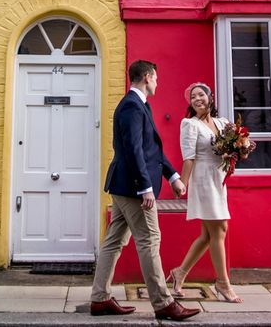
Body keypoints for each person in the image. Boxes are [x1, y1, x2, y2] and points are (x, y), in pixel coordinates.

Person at [90, 60, 201, 321]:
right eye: (156, 78)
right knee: (150, 239)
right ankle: (163, 303)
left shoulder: (139, 105)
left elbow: (152, 150)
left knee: (114, 241)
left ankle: (100, 299)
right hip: (133, 188)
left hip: (124, 186)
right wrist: (146, 188)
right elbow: (133, 150)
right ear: (148, 77)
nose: (158, 83)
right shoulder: (132, 105)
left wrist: (172, 175)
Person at [165, 82, 242, 303]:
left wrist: (239, 150)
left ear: (210, 97)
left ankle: (180, 273)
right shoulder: (189, 124)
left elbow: (233, 148)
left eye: (201, 95)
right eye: (193, 97)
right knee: (219, 229)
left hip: (219, 179)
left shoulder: (223, 123)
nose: (197, 99)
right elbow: (189, 157)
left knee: (208, 235)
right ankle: (223, 284)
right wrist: (182, 183)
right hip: (203, 180)